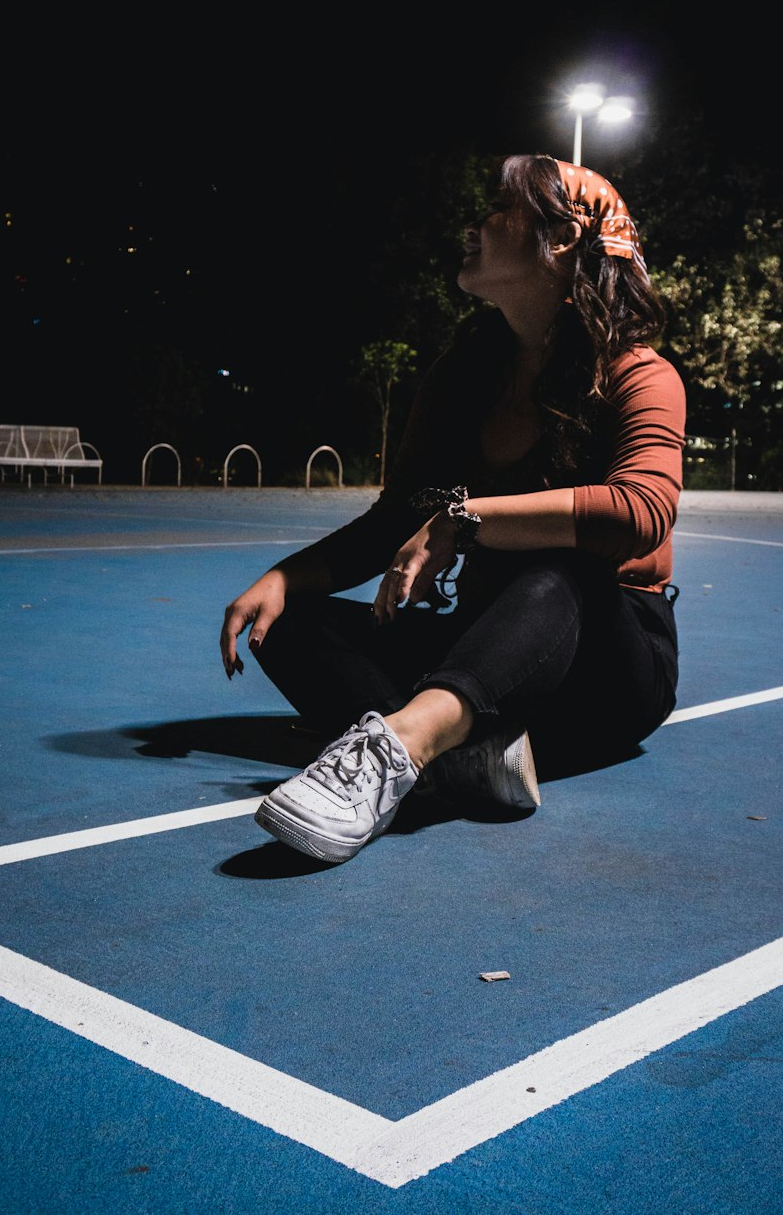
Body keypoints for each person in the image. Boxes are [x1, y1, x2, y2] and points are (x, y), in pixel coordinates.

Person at [220, 152, 686, 864]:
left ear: (561, 239)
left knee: (562, 560)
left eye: (500, 206)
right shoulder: (464, 375)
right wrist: (288, 576)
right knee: (289, 622)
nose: (476, 223)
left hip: (604, 667)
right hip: (489, 645)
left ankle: (402, 747)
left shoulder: (639, 373)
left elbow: (640, 511)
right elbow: (392, 522)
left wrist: (465, 517)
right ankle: (471, 753)